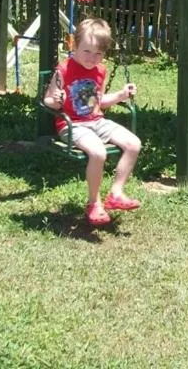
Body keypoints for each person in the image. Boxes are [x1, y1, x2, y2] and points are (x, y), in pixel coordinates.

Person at [42, 18, 143, 226]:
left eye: (98, 53)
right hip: (72, 125)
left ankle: (116, 193)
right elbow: (48, 101)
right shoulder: (64, 69)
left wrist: (121, 95)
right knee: (98, 153)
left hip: (96, 121)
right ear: (74, 46)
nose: (92, 58)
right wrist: (56, 100)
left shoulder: (100, 71)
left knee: (134, 144)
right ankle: (94, 203)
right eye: (87, 51)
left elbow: (99, 102)